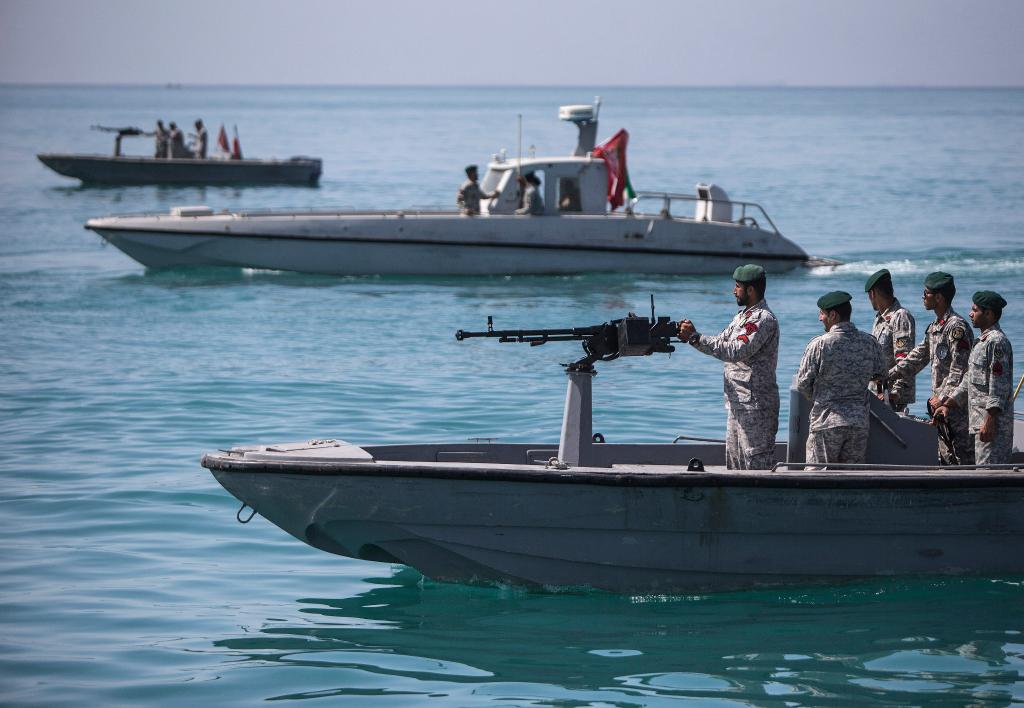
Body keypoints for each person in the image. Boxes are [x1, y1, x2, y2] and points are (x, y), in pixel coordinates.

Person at [677, 264, 780, 469]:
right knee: (735, 465)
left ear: (750, 290)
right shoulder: (743, 317)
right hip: (738, 403)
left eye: (738, 286)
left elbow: (735, 351)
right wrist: (692, 337)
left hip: (755, 406)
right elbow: (721, 342)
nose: (734, 291)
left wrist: (696, 338)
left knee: (755, 466)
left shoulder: (763, 319)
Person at [889, 271, 974, 464]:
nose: (923, 297)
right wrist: (889, 375)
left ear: (939, 298)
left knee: (963, 461)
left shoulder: (956, 328)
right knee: (945, 460)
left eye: (926, 293)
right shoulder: (935, 327)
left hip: (956, 408)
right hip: (940, 408)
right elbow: (917, 358)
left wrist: (943, 398)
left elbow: (959, 370)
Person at [795, 291, 887, 466]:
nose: (820, 318)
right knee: (852, 478)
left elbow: (803, 384)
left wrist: (820, 399)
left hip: (826, 422)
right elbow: (882, 374)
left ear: (833, 315)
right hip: (858, 424)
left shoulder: (819, 345)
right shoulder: (869, 342)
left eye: (822, 313)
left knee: (818, 476)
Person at [934, 291, 1014, 464]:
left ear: (988, 314)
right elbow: (968, 381)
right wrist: (947, 404)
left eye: (975, 310)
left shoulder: (996, 342)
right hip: (979, 424)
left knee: (990, 475)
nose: (970, 314)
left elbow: (999, 386)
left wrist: (990, 420)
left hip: (992, 428)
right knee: (981, 472)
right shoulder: (981, 342)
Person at [864, 268, 916, 412]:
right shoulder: (880, 319)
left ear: (873, 293)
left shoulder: (900, 317)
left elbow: (905, 360)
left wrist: (895, 394)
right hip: (877, 394)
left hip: (891, 399)